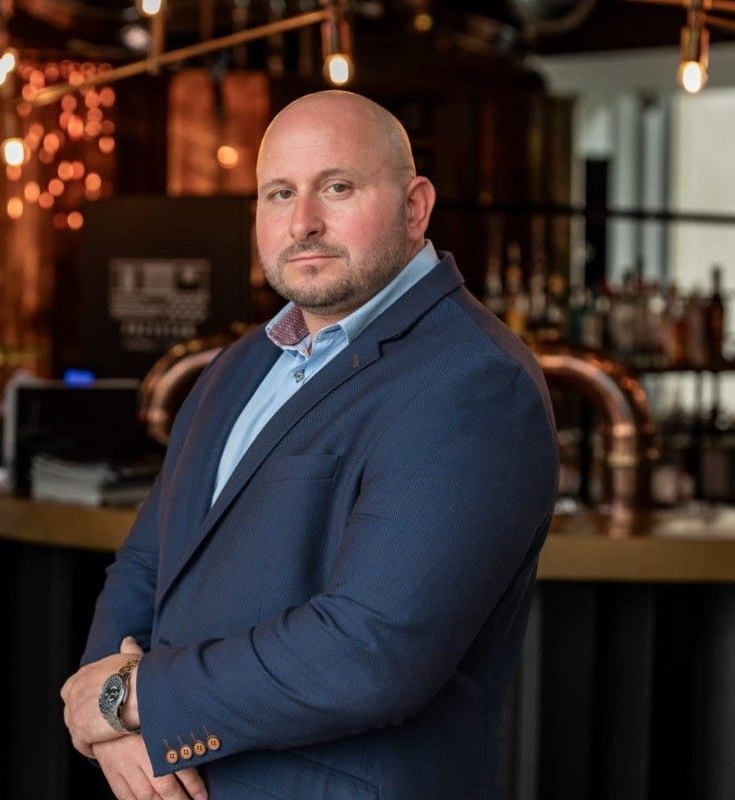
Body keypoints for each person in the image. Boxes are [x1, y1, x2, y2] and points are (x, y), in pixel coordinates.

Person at [62, 90, 558, 800]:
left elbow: (371, 652)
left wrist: (129, 700)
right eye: (279, 193)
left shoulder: (473, 381)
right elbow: (147, 559)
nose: (304, 222)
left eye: (338, 187)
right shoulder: (241, 364)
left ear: (415, 206)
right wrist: (112, 724)